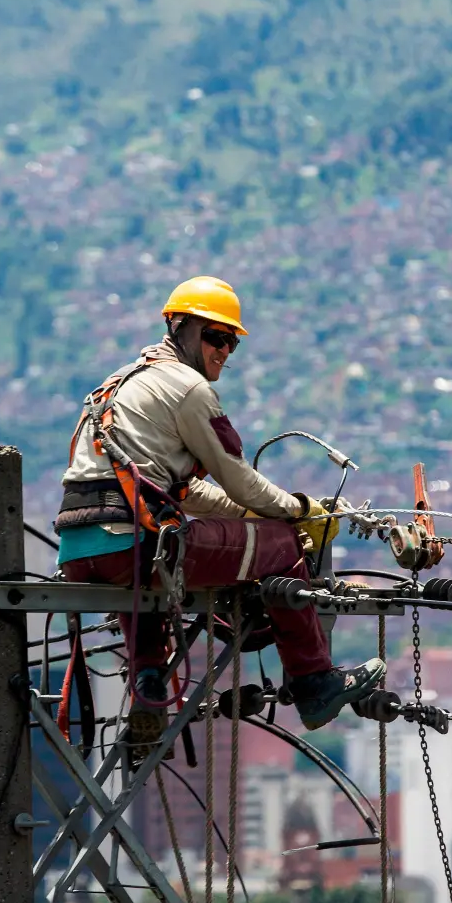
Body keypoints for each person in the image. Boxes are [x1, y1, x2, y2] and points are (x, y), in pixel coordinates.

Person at [56, 275, 385, 745]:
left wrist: (250, 517)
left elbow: (184, 493)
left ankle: (149, 682)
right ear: (180, 326)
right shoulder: (187, 389)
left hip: (81, 553)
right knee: (284, 544)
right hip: (134, 543)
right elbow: (237, 478)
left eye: (231, 342)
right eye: (215, 337)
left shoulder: (121, 386)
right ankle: (314, 681)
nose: (224, 352)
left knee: (148, 562)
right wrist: (297, 511)